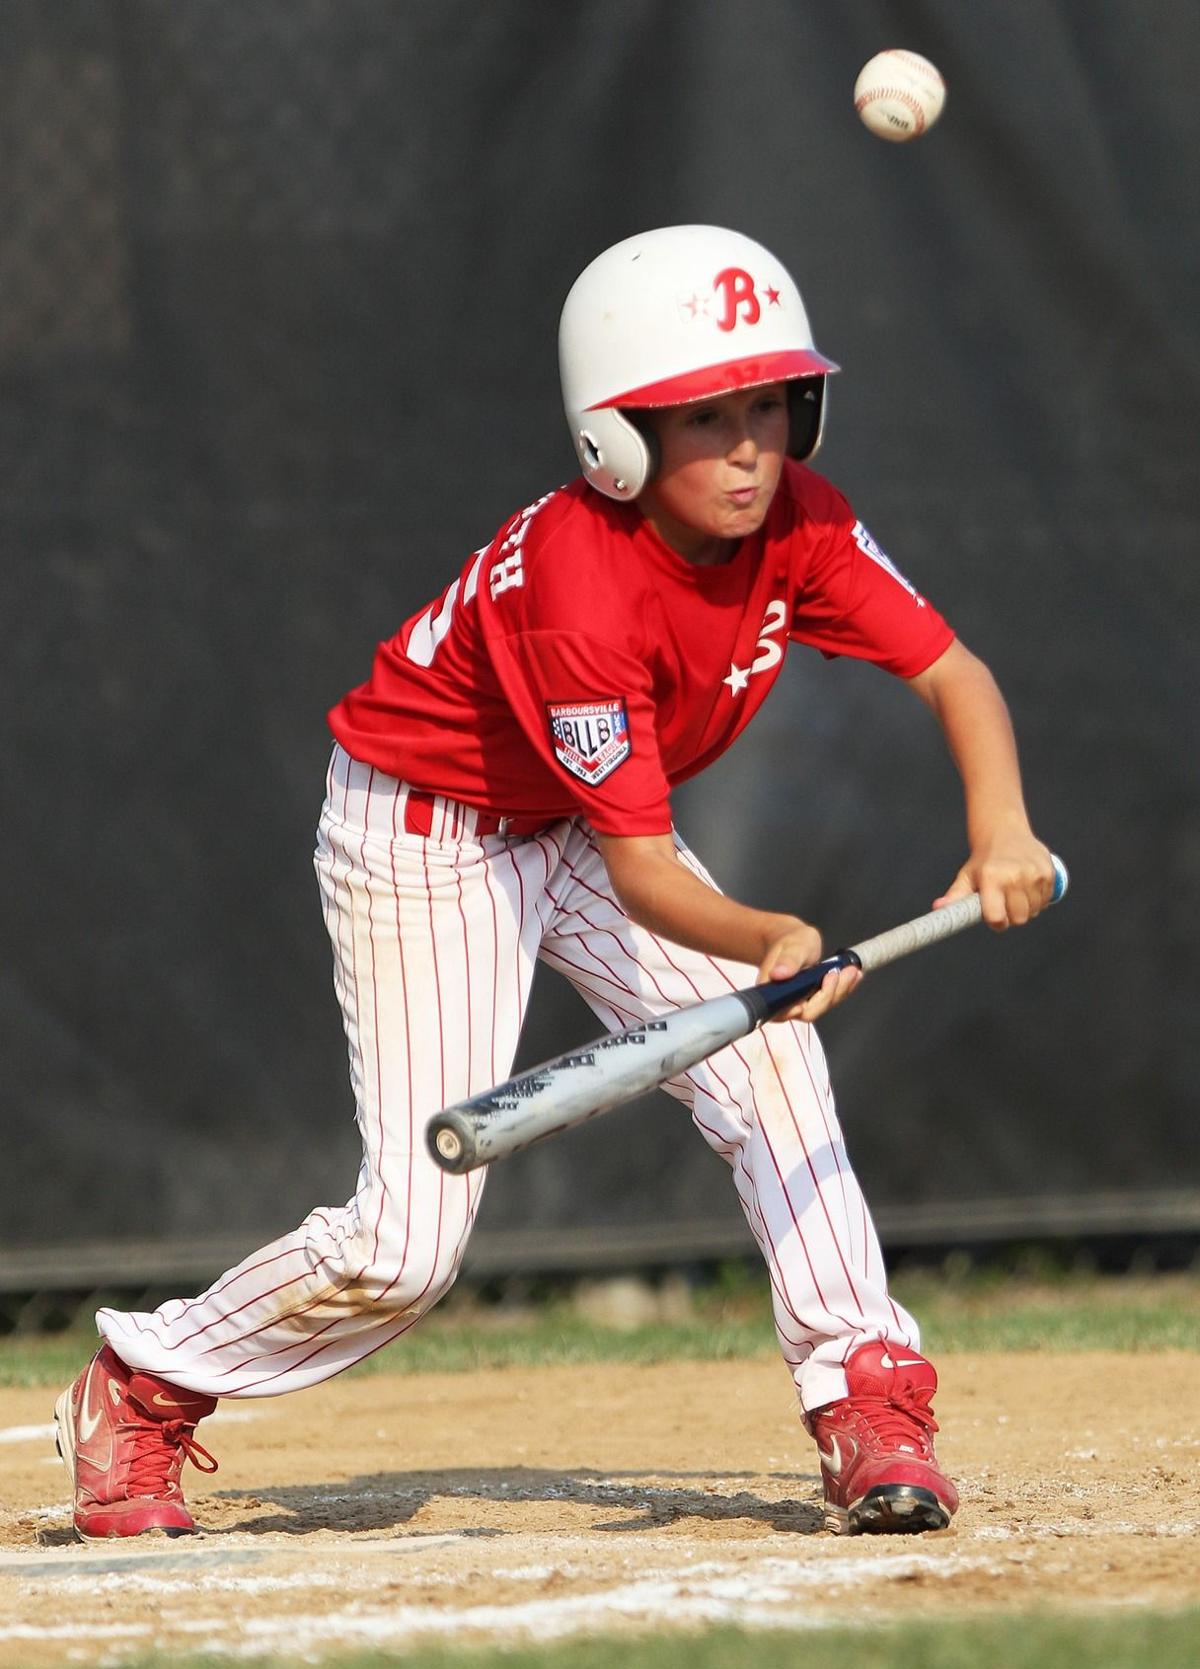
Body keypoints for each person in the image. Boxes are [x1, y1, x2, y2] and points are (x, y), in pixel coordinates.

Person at [55, 224, 1055, 1543]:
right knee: (405, 1248)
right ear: (616, 440)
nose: (751, 447)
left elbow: (953, 672)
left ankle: (868, 1390)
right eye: (706, 418)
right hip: (430, 833)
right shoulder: (581, 586)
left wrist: (1002, 826)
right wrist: (766, 934)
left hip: (570, 826)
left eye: (770, 405)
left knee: (771, 1072)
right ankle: (145, 1383)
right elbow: (646, 871)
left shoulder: (801, 523)